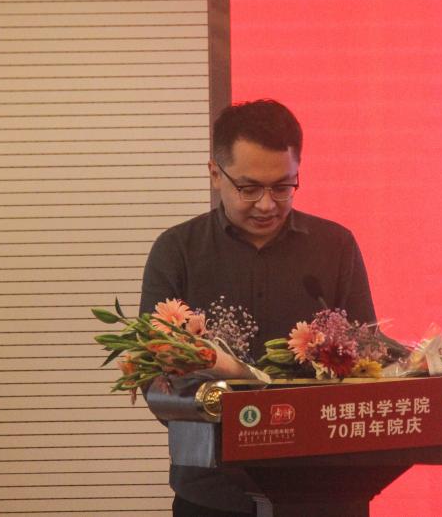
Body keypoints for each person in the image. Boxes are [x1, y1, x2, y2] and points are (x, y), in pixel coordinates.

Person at [139, 99, 377, 516]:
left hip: (325, 491)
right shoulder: (177, 251)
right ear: (215, 174)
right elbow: (153, 378)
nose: (267, 204)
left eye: (283, 187)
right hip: (214, 494)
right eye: (249, 189)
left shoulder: (335, 246)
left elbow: (370, 363)